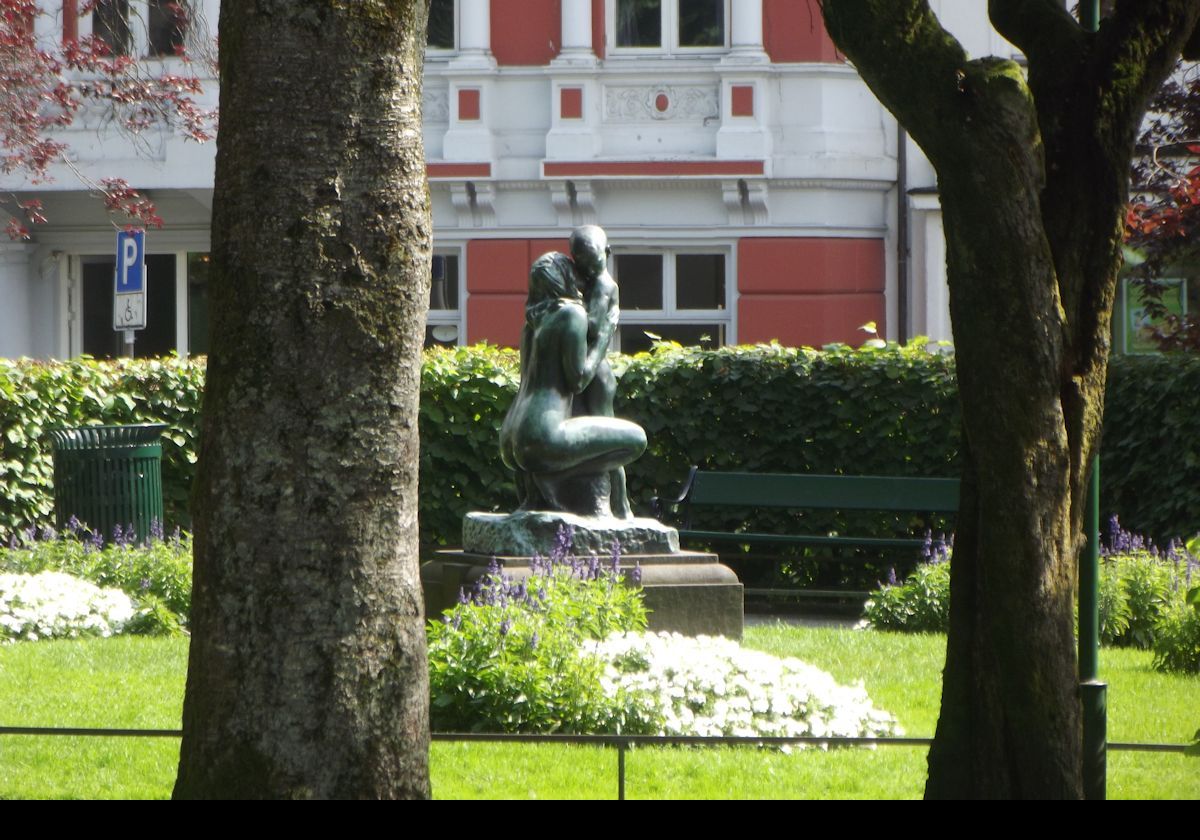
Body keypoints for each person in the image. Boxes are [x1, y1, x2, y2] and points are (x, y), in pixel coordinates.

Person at [499, 251, 646, 518]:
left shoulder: (532, 323)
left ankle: (541, 481)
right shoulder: (571, 315)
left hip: (511, 436)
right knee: (637, 440)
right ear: (565, 279)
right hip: (544, 435)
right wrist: (605, 334)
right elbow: (579, 379)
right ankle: (551, 477)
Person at [568, 225, 634, 518]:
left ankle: (621, 503)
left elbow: (593, 325)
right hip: (584, 370)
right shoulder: (590, 280)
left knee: (607, 443)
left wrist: (571, 302)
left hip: (597, 375)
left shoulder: (604, 286)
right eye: (580, 263)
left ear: (607, 254)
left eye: (593, 263)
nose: (587, 270)